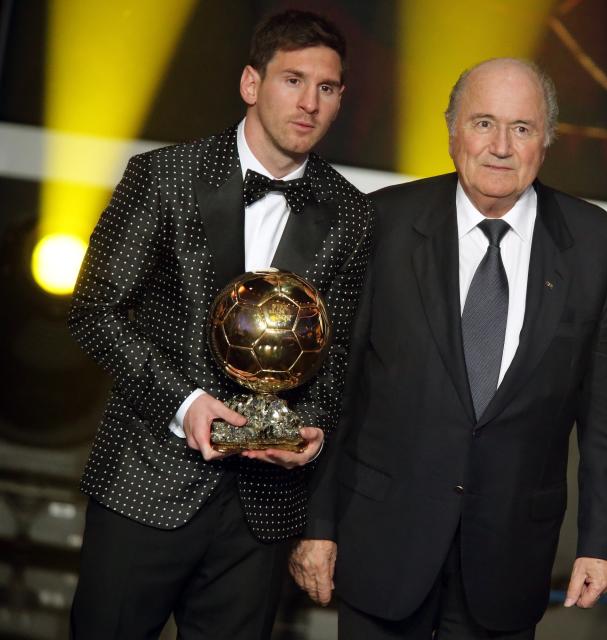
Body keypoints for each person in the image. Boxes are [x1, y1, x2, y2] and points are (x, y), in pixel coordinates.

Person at [289, 57, 607, 638]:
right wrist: (317, 525)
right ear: (452, 132)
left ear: (546, 141)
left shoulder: (601, 246)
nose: (501, 146)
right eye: (483, 123)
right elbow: (336, 390)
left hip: (509, 554)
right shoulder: (381, 224)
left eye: (522, 128)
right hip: (383, 543)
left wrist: (602, 543)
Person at [67, 10, 373, 639]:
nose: (310, 103)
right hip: (146, 483)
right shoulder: (164, 177)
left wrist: (309, 430)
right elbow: (94, 311)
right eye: (293, 80)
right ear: (251, 83)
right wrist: (186, 403)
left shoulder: (351, 216)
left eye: (328, 88)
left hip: (261, 511)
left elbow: (336, 356)